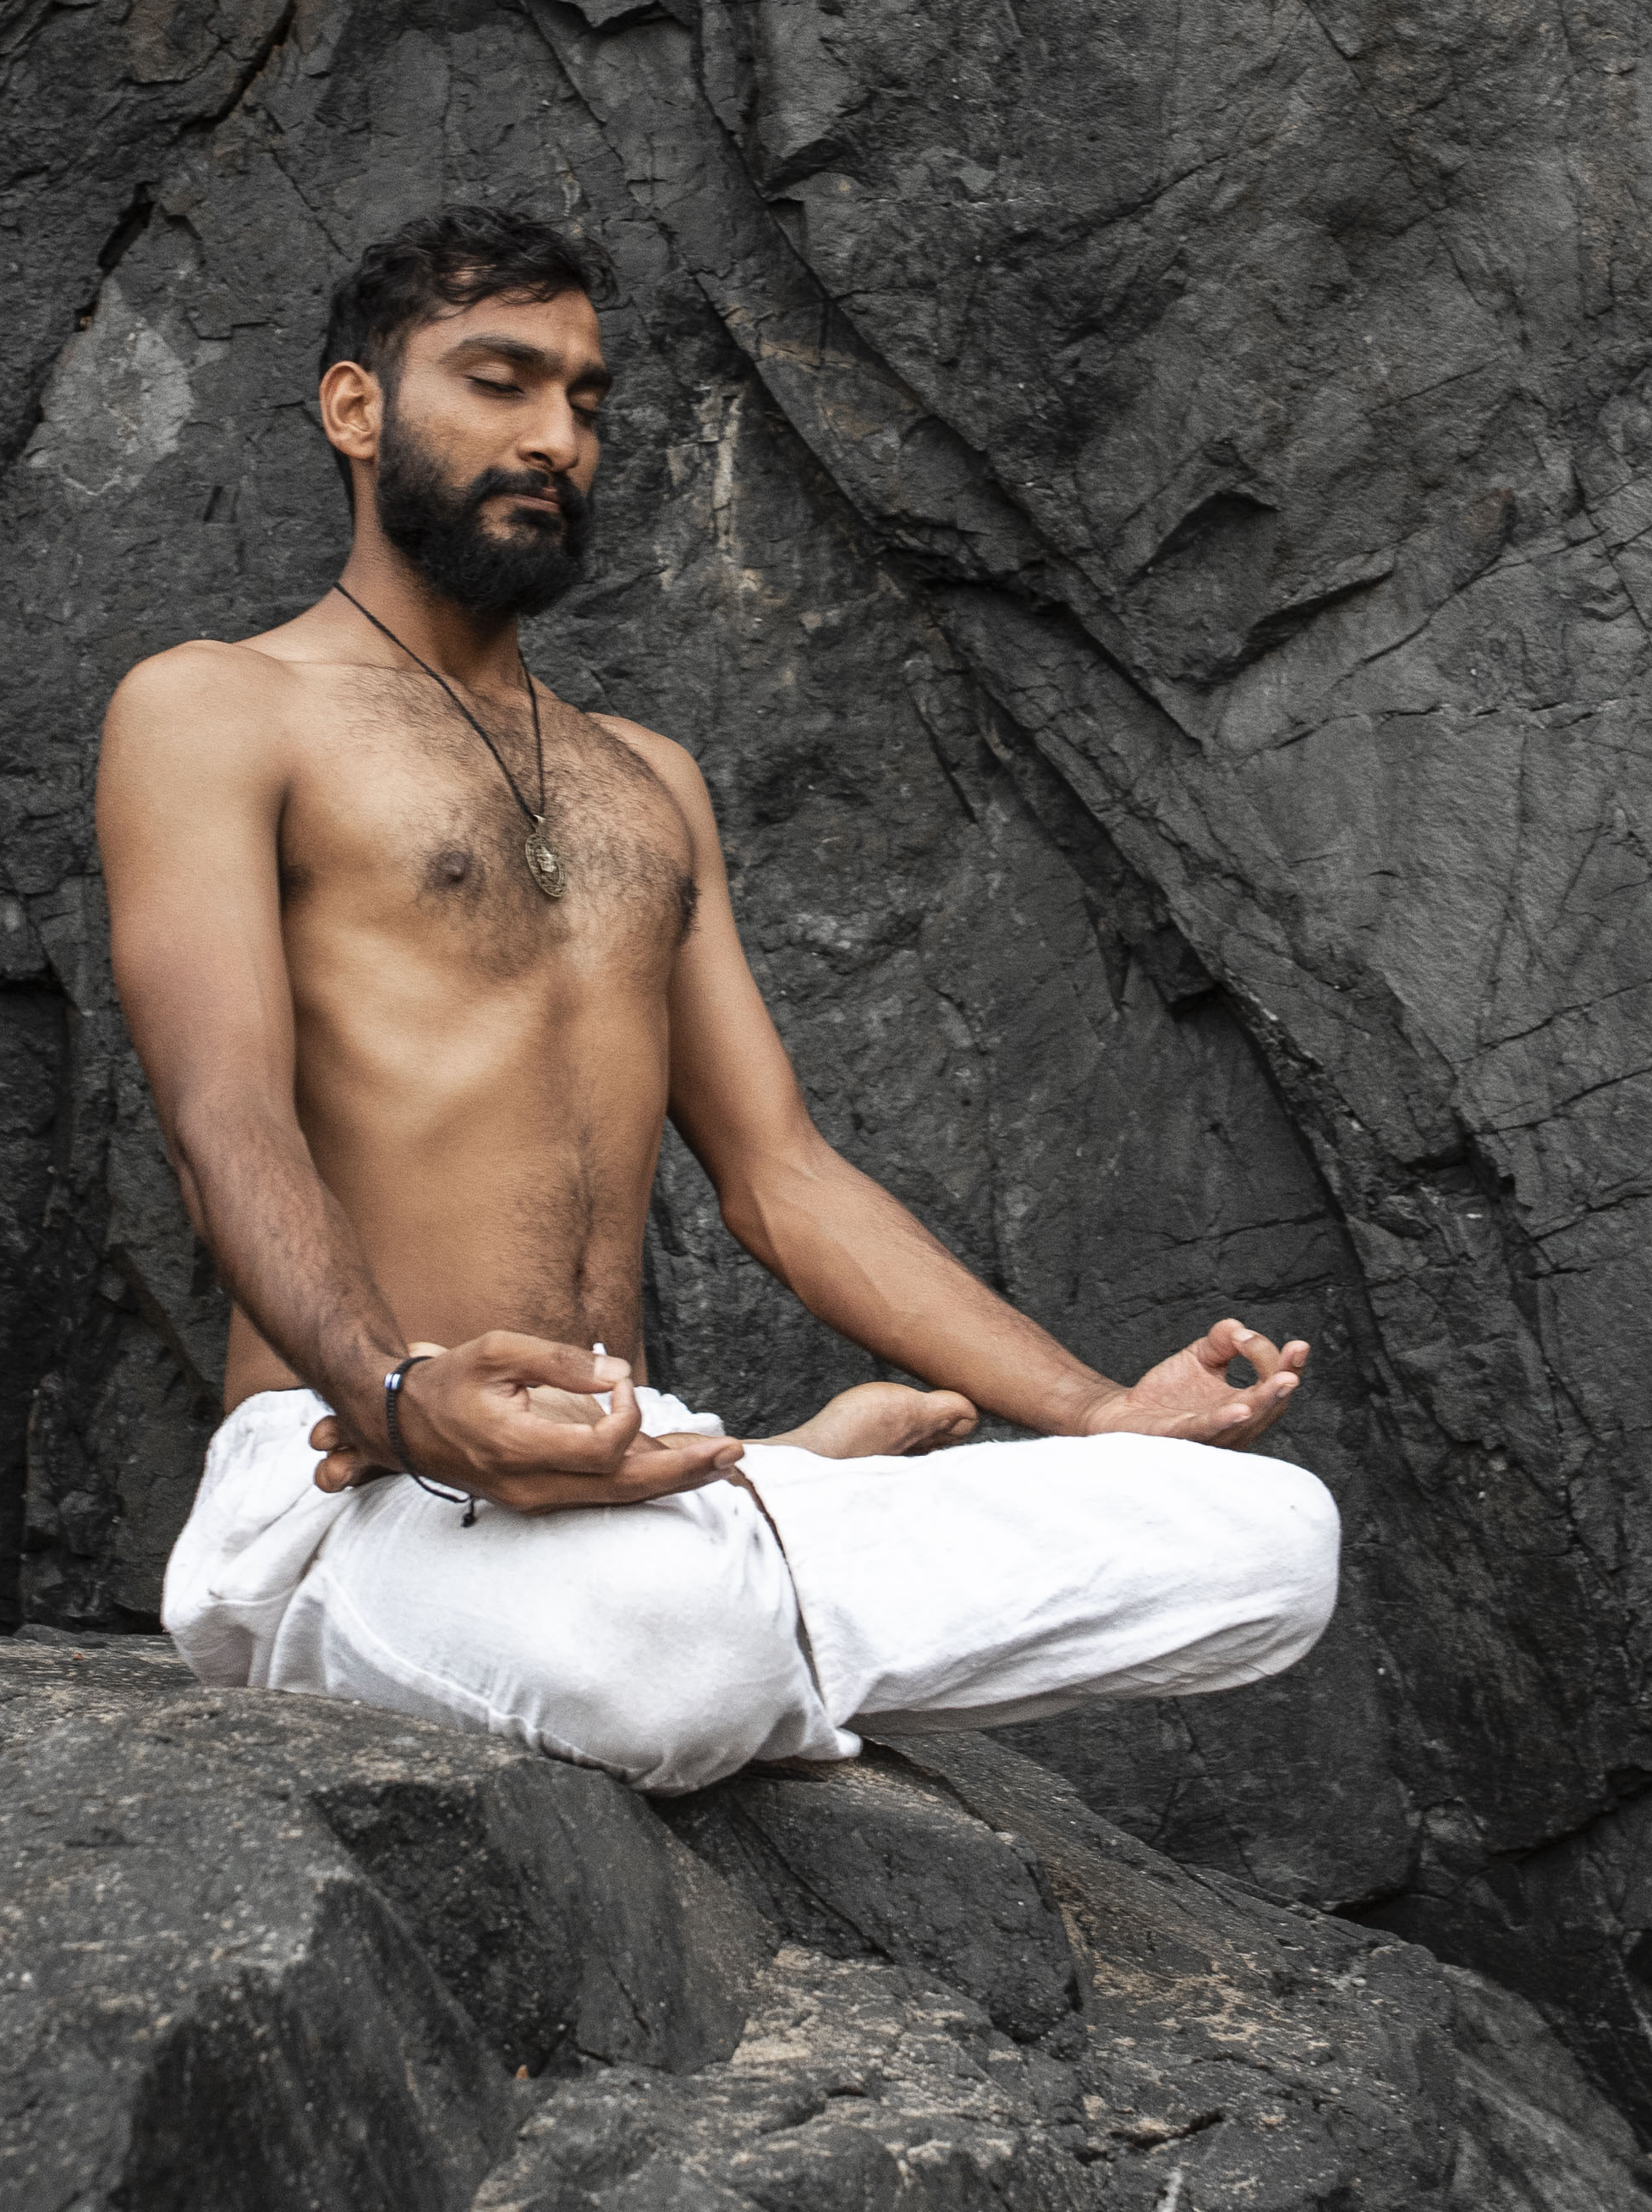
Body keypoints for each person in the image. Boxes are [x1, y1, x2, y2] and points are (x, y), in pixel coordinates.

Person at [96, 202, 1336, 1792]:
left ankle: (751, 1512)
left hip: (630, 1443)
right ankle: (772, 1526)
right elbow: (223, 1116)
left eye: (588, 402)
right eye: (499, 381)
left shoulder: (645, 783)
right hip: (352, 1463)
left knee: (1272, 1543)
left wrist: (1102, 1414)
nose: (555, 436)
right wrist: (398, 1397)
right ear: (357, 409)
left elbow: (784, 1176)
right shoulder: (213, 709)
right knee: (668, 1659)